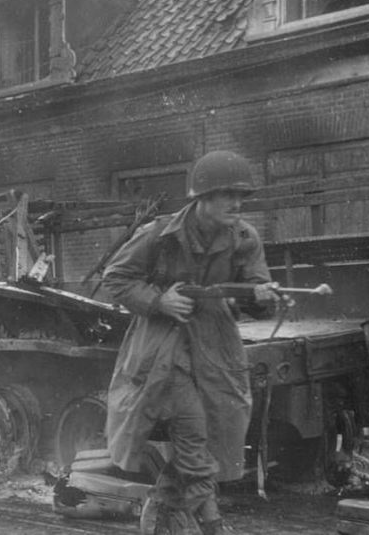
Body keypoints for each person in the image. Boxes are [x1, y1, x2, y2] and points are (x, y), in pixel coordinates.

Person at [102, 151, 284, 535]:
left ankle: (163, 506)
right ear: (200, 198)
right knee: (195, 433)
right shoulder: (159, 234)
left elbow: (254, 288)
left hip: (216, 349)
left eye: (241, 195)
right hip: (165, 350)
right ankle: (214, 525)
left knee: (216, 438)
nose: (236, 204)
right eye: (225, 195)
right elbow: (116, 278)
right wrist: (158, 300)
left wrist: (262, 297)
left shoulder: (244, 238)